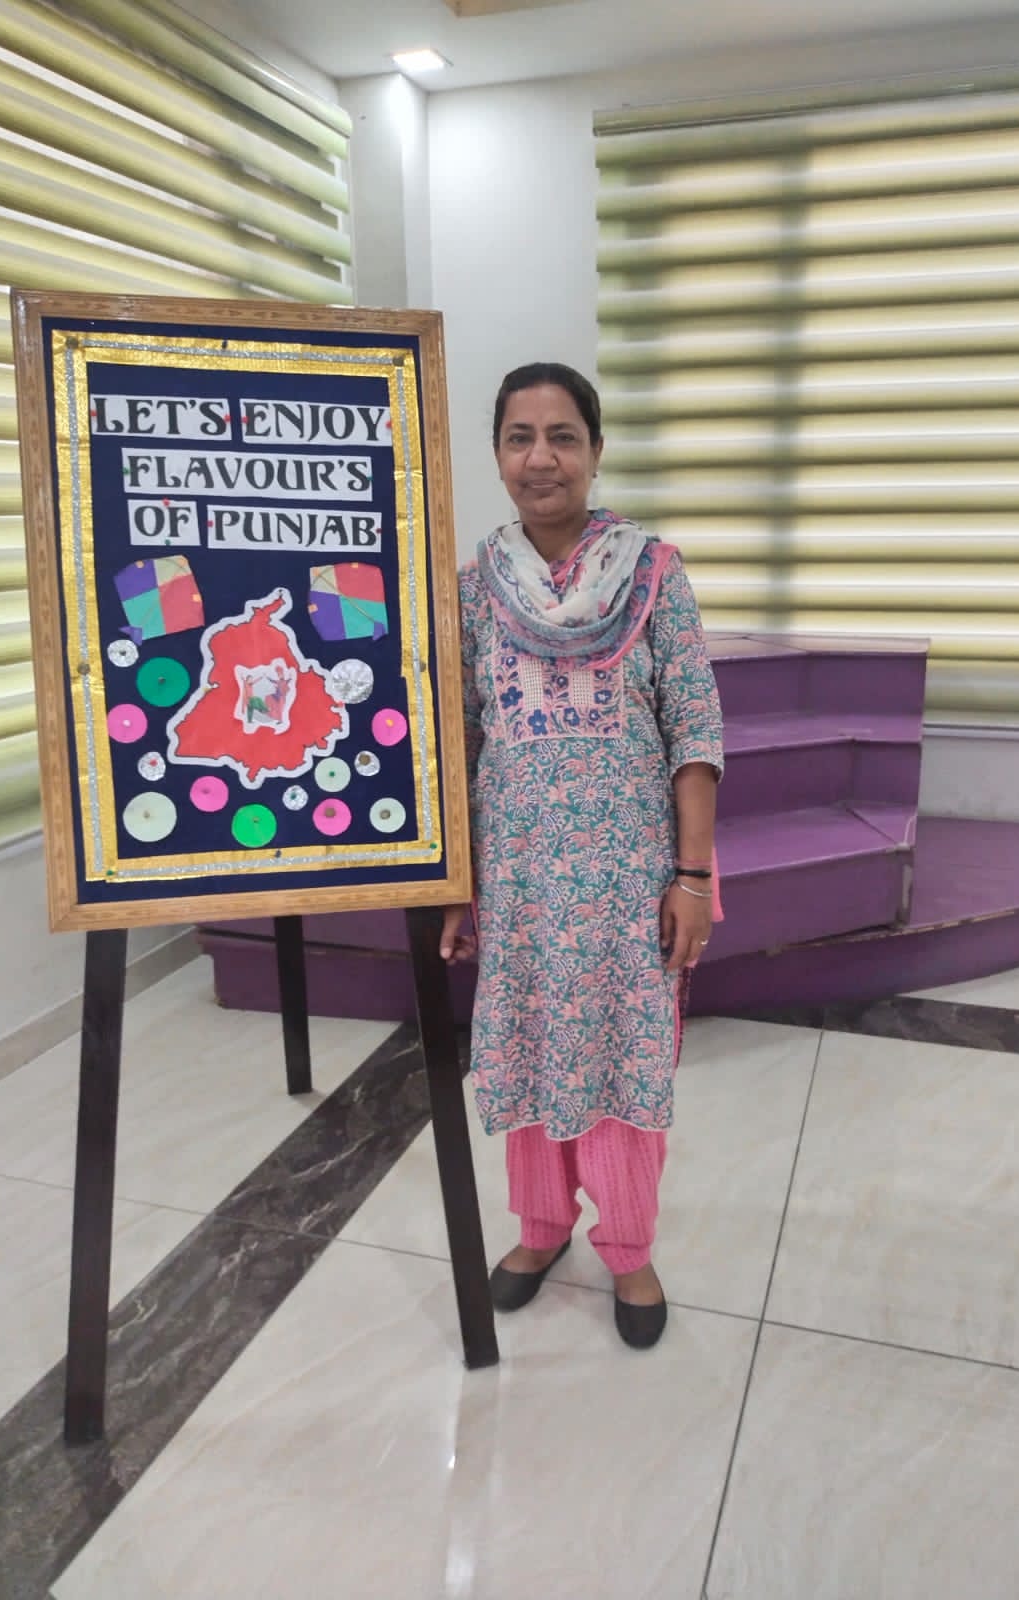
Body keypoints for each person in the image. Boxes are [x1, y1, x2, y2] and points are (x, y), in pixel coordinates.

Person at [440, 362, 723, 1350]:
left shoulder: (653, 574)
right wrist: (456, 884)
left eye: (563, 436)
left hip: (627, 883)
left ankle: (628, 1245)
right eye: (519, 437)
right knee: (526, 1046)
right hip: (520, 882)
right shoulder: (475, 589)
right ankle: (541, 1227)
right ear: (497, 455)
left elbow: (695, 731)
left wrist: (693, 878)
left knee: (620, 1062)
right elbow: (461, 741)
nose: (541, 457)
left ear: (596, 452)